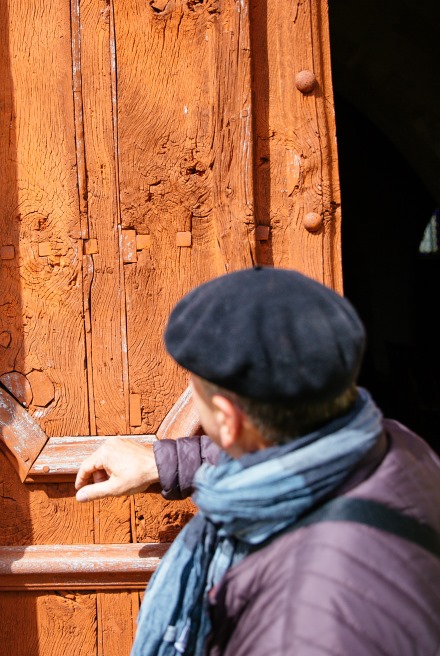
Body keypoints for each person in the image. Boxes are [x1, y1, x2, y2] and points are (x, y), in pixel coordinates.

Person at [75, 267, 440, 656]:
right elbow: (276, 454)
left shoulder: (301, 628)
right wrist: (160, 463)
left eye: (194, 387)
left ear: (228, 421)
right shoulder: (397, 444)